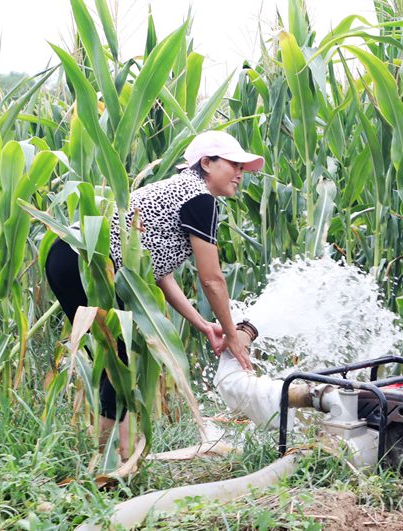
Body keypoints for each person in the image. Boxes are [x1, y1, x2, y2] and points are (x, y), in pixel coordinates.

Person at [45, 130, 263, 458]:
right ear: (206, 163)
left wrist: (204, 325)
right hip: (84, 259)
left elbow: (162, 274)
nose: (239, 174)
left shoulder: (184, 193)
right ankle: (109, 461)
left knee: (116, 360)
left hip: (71, 256)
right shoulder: (199, 198)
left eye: (243, 168)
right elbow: (213, 280)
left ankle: (118, 456)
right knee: (116, 359)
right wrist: (232, 335)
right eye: (233, 164)